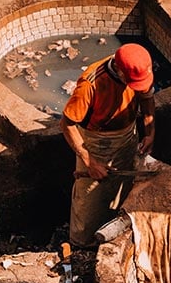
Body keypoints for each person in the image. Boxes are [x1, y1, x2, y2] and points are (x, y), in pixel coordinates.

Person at [60, 42, 156, 248]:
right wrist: (90, 162)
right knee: (89, 200)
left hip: (128, 136)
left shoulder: (141, 70)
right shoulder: (91, 84)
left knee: (122, 190)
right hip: (96, 143)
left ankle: (112, 233)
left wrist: (149, 131)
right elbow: (67, 124)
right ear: (119, 71)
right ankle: (81, 246)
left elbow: (147, 98)